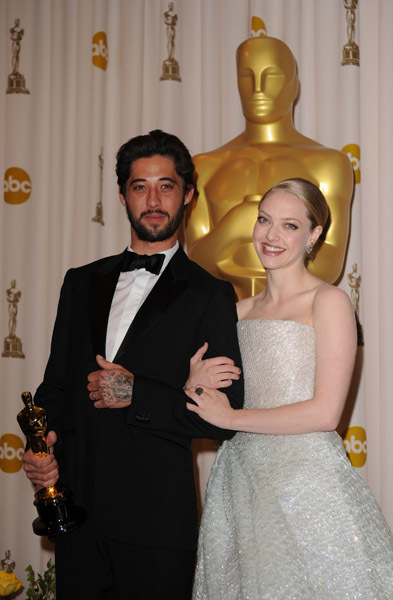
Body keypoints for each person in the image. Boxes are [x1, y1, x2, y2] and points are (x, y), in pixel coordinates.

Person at [21, 129, 244, 600]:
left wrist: (136, 392)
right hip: (76, 511)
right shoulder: (80, 282)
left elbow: (229, 413)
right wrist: (46, 443)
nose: (154, 199)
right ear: (122, 195)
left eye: (167, 185)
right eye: (140, 186)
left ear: (188, 195)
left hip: (156, 519)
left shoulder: (211, 293)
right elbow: (55, 386)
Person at [186, 178, 393, 599]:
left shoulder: (329, 301)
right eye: (264, 220)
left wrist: (231, 417)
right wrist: (194, 384)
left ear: (314, 235)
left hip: (308, 483)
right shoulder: (235, 312)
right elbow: (207, 399)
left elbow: (325, 413)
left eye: (290, 225)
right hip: (240, 484)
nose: (271, 235)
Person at [185, 36, 354, 299]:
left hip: (294, 318)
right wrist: (236, 224)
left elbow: (330, 262)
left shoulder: (329, 163)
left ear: (294, 85)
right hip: (221, 316)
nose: (258, 88)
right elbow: (195, 258)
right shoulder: (203, 166)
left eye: (271, 76)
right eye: (246, 76)